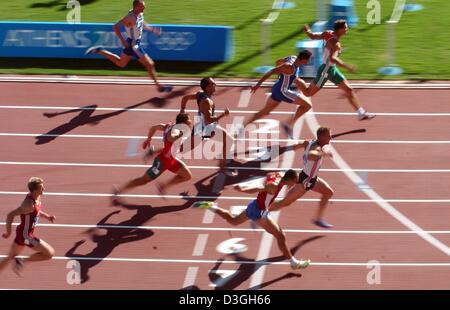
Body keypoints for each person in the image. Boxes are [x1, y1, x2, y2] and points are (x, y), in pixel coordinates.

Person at [193, 170, 311, 270]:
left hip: (254, 205)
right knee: (280, 235)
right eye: (294, 182)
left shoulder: (277, 174)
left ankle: (211, 206)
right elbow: (259, 187)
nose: (294, 185)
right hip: (259, 213)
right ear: (289, 179)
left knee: (233, 221)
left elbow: (267, 177)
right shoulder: (274, 187)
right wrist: (243, 189)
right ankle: (293, 263)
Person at [85, 0, 172, 93]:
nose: (144, 8)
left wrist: (153, 30)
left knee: (121, 63)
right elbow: (115, 26)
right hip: (133, 45)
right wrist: (122, 40)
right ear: (136, 7)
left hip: (135, 43)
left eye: (144, 6)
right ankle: (159, 87)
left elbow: (141, 23)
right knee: (150, 64)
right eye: (142, 6)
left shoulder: (140, 14)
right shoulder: (129, 17)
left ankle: (100, 50)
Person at [299, 20, 375, 120]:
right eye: (345, 28)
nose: (347, 29)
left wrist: (307, 30)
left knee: (348, 90)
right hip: (325, 70)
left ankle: (361, 113)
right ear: (339, 30)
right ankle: (295, 80)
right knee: (308, 93)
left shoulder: (327, 33)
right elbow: (332, 58)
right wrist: (347, 66)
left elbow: (312, 36)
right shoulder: (336, 44)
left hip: (332, 69)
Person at [113, 113, 192, 202]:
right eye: (189, 120)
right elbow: (171, 137)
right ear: (183, 122)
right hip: (162, 163)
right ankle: (119, 190)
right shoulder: (177, 131)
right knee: (143, 180)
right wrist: (178, 135)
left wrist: (148, 140)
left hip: (171, 160)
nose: (191, 121)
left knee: (186, 176)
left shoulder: (169, 126)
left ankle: (163, 186)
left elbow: (154, 127)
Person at [269, 126, 335, 228]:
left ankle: (317, 219)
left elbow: (298, 145)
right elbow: (310, 155)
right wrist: (323, 153)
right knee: (284, 203)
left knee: (328, 192)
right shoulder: (316, 148)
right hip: (304, 182)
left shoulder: (308, 142)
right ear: (321, 137)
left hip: (313, 179)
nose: (331, 137)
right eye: (328, 136)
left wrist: (288, 149)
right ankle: (259, 212)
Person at [243, 50, 313, 139]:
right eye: (308, 60)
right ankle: (288, 124)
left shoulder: (292, 58)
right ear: (304, 60)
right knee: (307, 105)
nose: (309, 62)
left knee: (265, 111)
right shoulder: (290, 67)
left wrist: (284, 74)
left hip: (277, 89)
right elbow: (271, 71)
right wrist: (258, 85)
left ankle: (243, 127)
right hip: (283, 92)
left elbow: (278, 61)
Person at [180, 77, 236, 175]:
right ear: (207, 87)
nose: (215, 85)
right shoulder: (206, 101)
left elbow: (185, 98)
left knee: (229, 140)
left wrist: (182, 110)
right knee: (182, 149)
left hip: (201, 126)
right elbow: (208, 120)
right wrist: (223, 114)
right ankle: (160, 153)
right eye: (213, 84)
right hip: (204, 129)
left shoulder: (200, 94)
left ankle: (222, 167)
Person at [0, 177, 55, 276]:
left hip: (24, 233)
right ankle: (22, 260)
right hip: (26, 236)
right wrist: (8, 233)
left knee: (10, 257)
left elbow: (36, 211)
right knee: (49, 253)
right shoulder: (28, 205)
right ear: (34, 190)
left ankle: (20, 260)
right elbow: (10, 215)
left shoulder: (37, 197)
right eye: (41, 188)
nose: (44, 189)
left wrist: (47, 217)